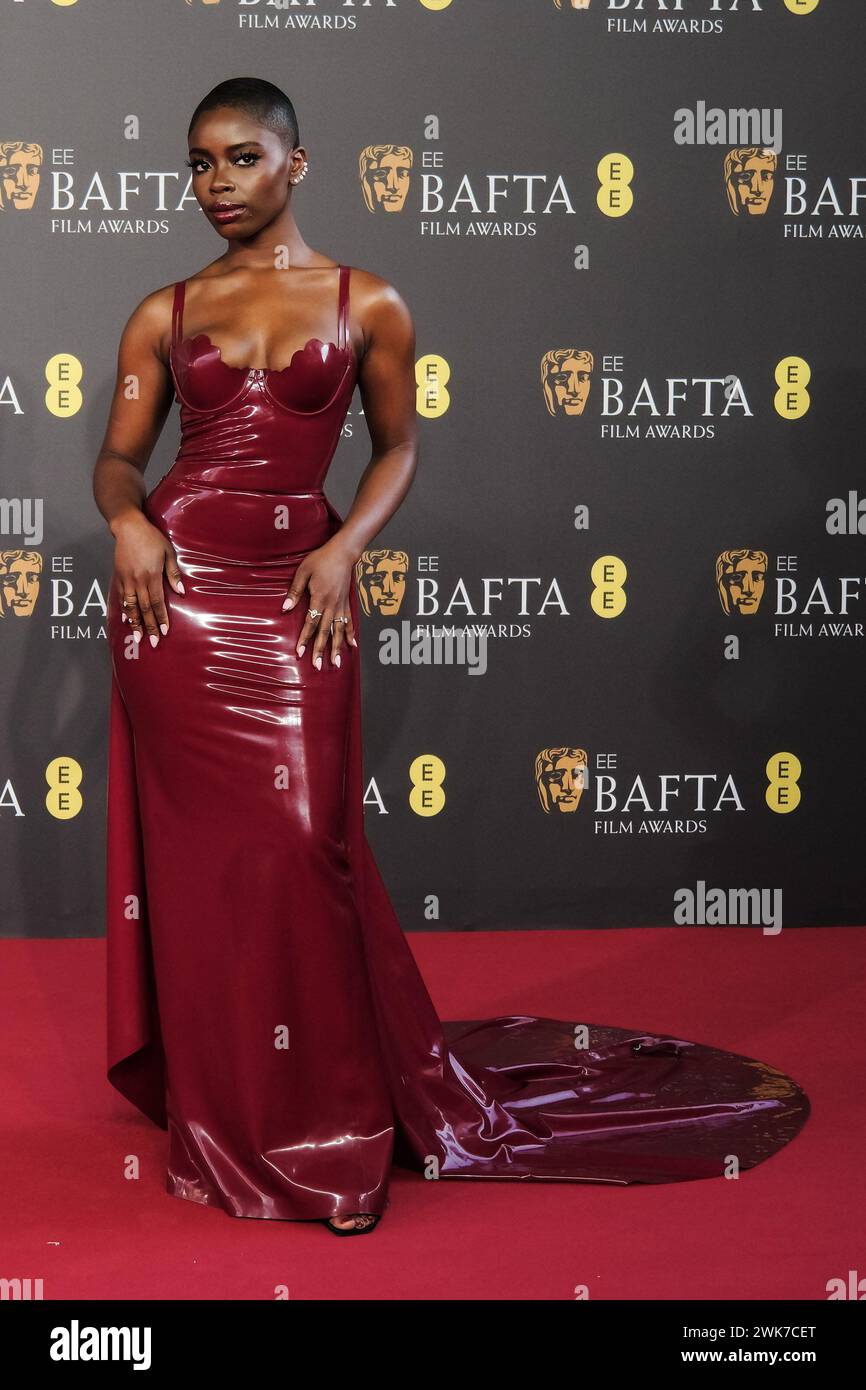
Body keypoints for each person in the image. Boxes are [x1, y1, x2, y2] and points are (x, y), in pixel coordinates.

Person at [94, 78, 809, 1238]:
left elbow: (395, 446)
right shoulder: (161, 312)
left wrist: (347, 551)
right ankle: (225, 1115)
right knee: (207, 875)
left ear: (297, 164)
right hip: (179, 605)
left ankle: (329, 1128)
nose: (214, 184)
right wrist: (126, 520)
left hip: (295, 596)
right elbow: (118, 461)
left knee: (304, 850)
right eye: (197, 163)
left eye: (238, 159)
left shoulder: (365, 299)